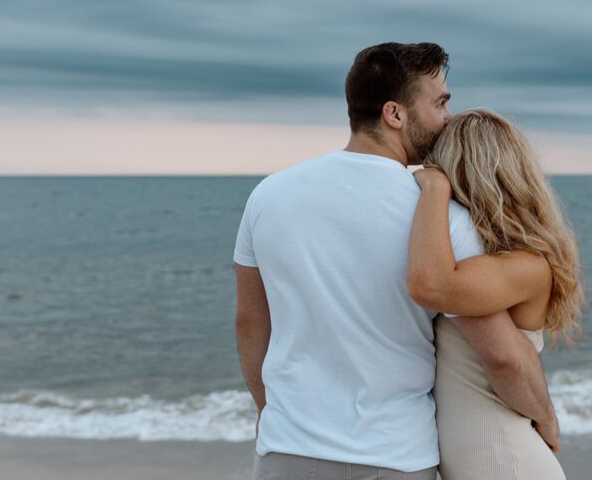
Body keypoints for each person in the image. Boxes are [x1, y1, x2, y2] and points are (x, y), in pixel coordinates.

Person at [233, 43, 558, 479]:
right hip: (392, 457)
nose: (447, 118)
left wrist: (268, 414)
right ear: (395, 114)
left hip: (284, 451)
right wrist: (545, 417)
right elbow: (500, 352)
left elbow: (252, 324)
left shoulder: (267, 196)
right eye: (440, 102)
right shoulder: (442, 219)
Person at [407, 108, 585, 480]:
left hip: (504, 460)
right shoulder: (486, 257)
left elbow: (436, 286)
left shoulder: (524, 265)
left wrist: (435, 190)